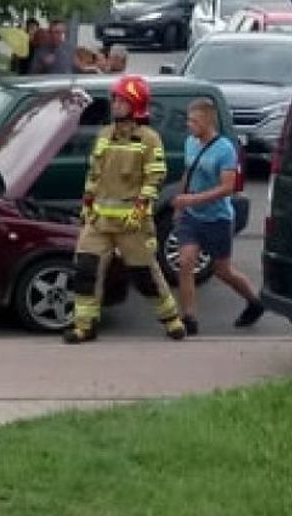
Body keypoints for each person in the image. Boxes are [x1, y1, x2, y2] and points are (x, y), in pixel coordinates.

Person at [64, 74, 186, 344]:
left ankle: (171, 320)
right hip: (99, 222)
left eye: (121, 100)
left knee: (145, 276)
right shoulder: (104, 135)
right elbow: (94, 174)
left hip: (132, 224)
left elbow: (155, 177)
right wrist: (87, 205)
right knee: (85, 271)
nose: (115, 104)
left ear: (136, 104)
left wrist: (141, 209)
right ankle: (84, 326)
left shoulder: (149, 139)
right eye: (115, 99)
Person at [172, 97, 264, 335]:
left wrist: (192, 200)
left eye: (194, 121)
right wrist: (181, 202)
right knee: (185, 263)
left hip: (218, 218)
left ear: (207, 121)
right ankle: (189, 318)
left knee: (223, 270)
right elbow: (188, 172)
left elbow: (227, 188)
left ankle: (254, 302)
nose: (189, 125)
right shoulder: (190, 143)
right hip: (192, 217)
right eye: (189, 120)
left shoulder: (225, 149)